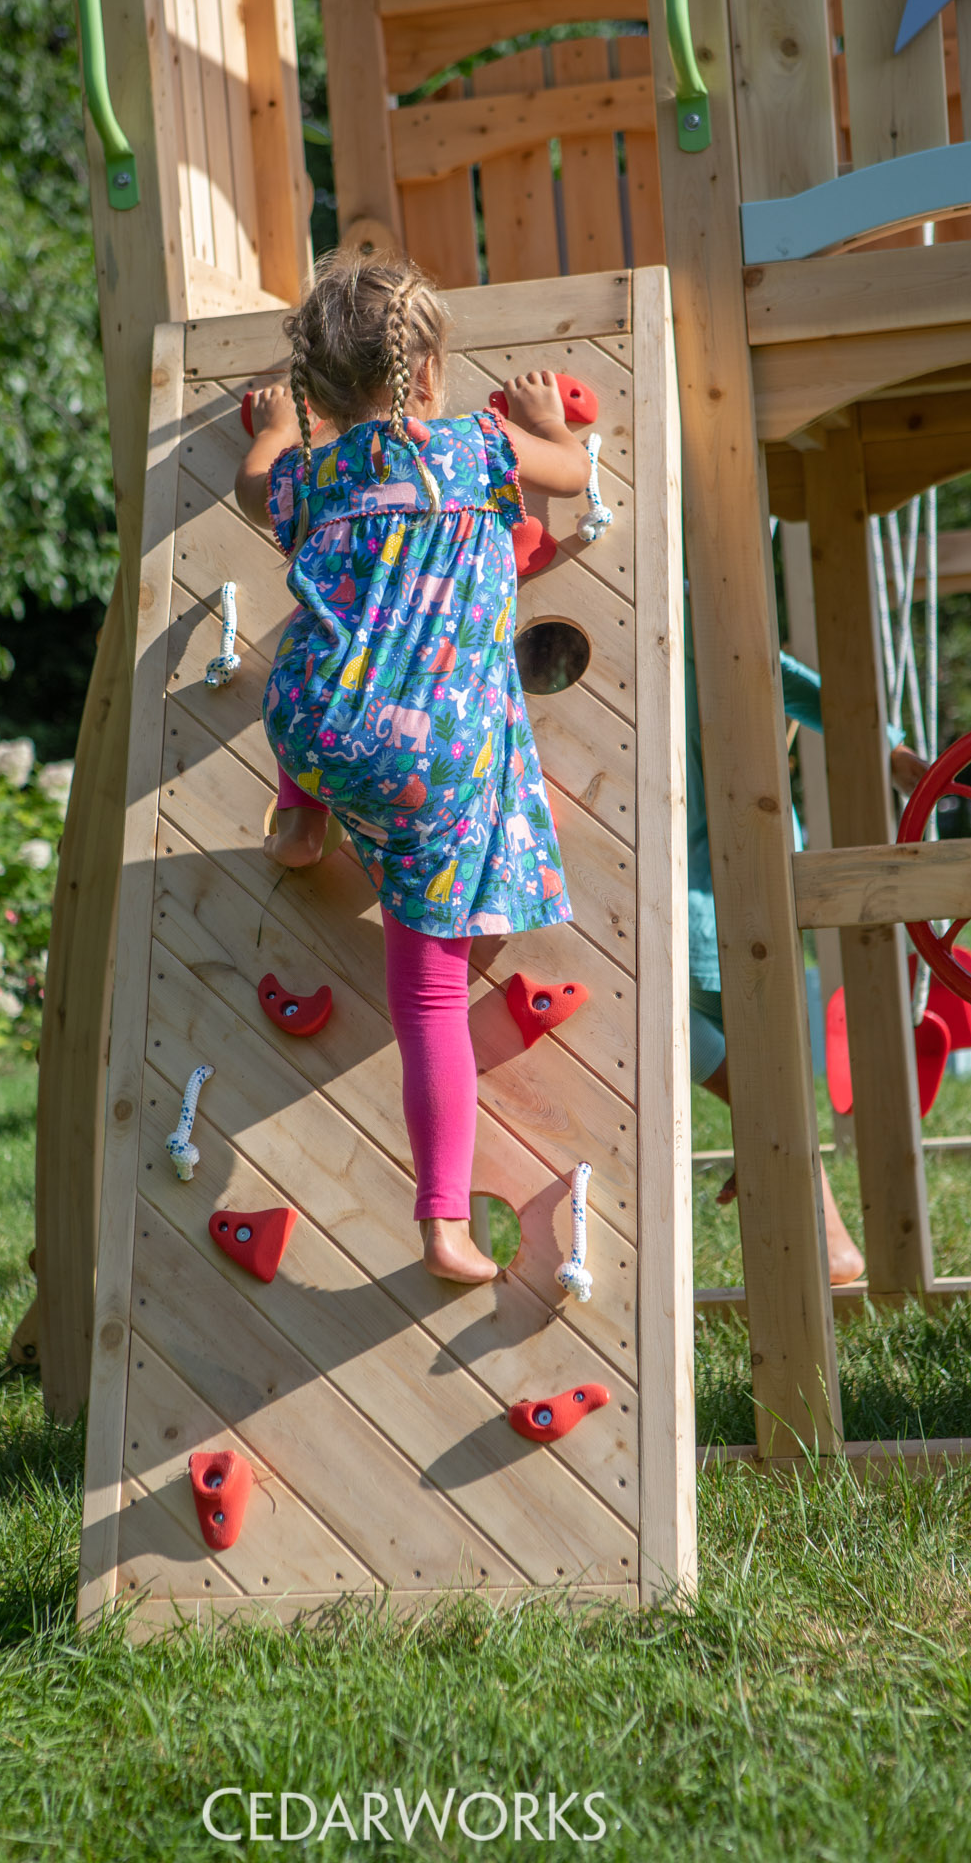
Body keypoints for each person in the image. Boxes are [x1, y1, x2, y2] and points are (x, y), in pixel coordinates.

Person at [235, 248, 590, 1286]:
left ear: (316, 388)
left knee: (323, 663)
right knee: (430, 999)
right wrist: (551, 424)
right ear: (428, 371)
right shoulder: (482, 446)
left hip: (309, 725)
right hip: (430, 755)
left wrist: (273, 431)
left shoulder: (313, 473)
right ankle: (443, 1224)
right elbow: (571, 476)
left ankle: (300, 821)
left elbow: (254, 487)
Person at [683, 599, 930, 1284]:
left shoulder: (694, 610)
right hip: (738, 882)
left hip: (720, 886)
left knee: (738, 1063)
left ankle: (799, 1191)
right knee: (749, 1071)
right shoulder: (697, 613)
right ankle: (775, 1154)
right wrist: (894, 754)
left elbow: (806, 690)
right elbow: (810, 692)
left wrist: (895, 753)